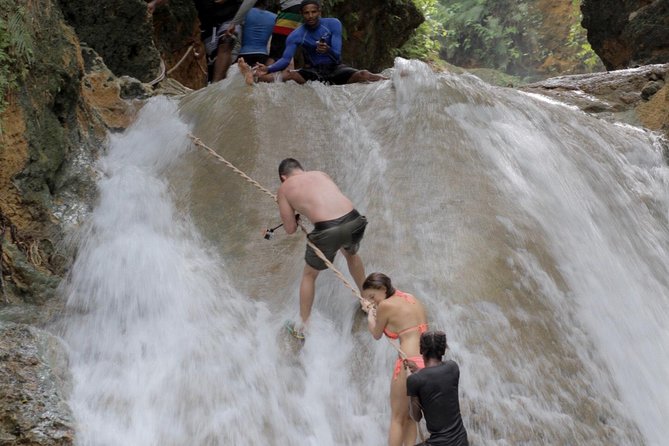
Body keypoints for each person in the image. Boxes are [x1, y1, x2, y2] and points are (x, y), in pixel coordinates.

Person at [276, 158, 367, 338]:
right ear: (302, 169)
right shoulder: (320, 174)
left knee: (309, 275)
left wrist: (293, 215)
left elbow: (290, 229)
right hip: (355, 220)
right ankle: (367, 299)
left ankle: (303, 326)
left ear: (283, 177)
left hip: (329, 230)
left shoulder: (284, 189)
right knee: (351, 255)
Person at [362, 272, 429, 446]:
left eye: (372, 296)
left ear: (383, 289)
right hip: (428, 363)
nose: (372, 301)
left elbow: (377, 333)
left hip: (409, 362)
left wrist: (370, 314)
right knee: (410, 417)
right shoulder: (410, 298)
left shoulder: (385, 305)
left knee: (397, 418)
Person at [254, 0, 387, 84]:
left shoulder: (333, 24)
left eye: (313, 12)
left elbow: (337, 56)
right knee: (290, 74)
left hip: (335, 69)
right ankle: (256, 78)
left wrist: (327, 49)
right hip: (313, 72)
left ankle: (391, 81)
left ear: (319, 12)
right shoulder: (296, 35)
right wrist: (268, 68)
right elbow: (284, 60)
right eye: (306, 13)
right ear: (301, 14)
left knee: (363, 74)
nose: (310, 16)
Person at [406, 331, 469, 446]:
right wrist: (418, 372)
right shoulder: (453, 367)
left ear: (421, 350)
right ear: (444, 350)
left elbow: (416, 416)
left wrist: (412, 384)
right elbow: (436, 378)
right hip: (461, 440)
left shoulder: (414, 380)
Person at [193, 0, 257, 82]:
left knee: (226, 43)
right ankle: (220, 85)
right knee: (215, 58)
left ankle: (215, 85)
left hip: (230, 19)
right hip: (208, 24)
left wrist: (235, 22)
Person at [236, 0, 276, 84]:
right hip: (262, 54)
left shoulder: (245, 13)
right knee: (258, 82)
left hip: (245, 53)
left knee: (242, 82)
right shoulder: (274, 17)